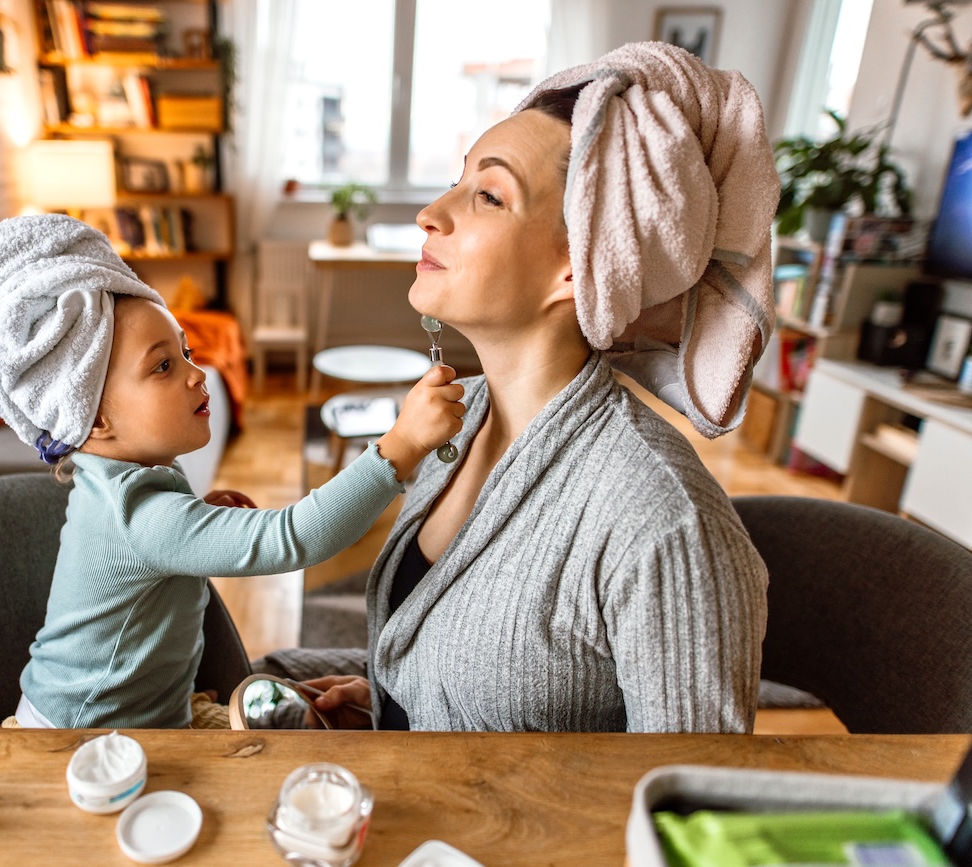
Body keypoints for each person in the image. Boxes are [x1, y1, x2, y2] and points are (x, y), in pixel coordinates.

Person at [279, 42, 777, 733]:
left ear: (582, 267)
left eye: (488, 194)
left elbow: (682, 808)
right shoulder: (461, 412)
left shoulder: (662, 522)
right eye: (458, 180)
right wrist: (396, 694)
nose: (432, 211)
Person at [0, 214, 464, 729]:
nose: (197, 375)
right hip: (82, 735)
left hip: (143, 712)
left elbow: (155, 547)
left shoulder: (130, 484)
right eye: (163, 366)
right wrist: (403, 443)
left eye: (185, 352)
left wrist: (199, 515)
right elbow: (296, 536)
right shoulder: (140, 515)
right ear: (93, 417)